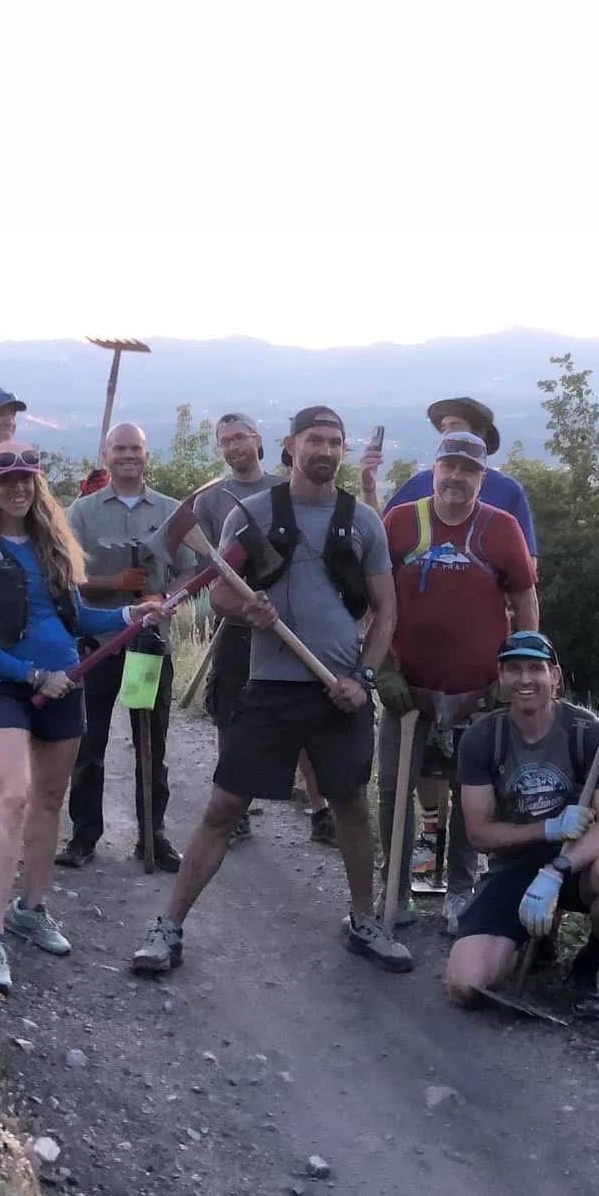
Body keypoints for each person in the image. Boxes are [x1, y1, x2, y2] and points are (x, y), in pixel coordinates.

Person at [129, 406, 411, 977]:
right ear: (290, 445)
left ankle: (364, 921)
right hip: (271, 688)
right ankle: (168, 928)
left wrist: (364, 679)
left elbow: (386, 611)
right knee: (224, 807)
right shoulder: (255, 513)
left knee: (352, 807)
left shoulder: (362, 522)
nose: (324, 450)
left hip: (341, 691)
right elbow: (219, 593)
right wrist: (246, 609)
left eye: (334, 441)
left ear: (343, 449)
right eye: (314, 440)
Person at [0, 443, 164, 992]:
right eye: (6, 482)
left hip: (66, 684)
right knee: (13, 797)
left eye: (26, 479)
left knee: (49, 801)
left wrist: (129, 613)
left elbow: (74, 618)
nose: (18, 488)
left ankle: (31, 907)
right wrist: (30, 675)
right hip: (7, 687)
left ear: (37, 485)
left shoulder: (52, 545)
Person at [376, 431, 538, 934]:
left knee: (473, 795)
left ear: (482, 479)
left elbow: (525, 601)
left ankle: (462, 890)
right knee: (393, 789)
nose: (456, 477)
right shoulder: (401, 522)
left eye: (468, 470)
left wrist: (518, 669)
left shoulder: (501, 528)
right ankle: (395, 888)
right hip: (409, 691)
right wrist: (379, 666)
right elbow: (372, 597)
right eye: (449, 466)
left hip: (479, 693)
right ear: (435, 469)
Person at [443, 631, 599, 1021]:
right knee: (467, 986)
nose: (525, 679)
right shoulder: (482, 739)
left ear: (555, 676)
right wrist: (547, 829)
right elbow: (480, 835)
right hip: (513, 867)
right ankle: (528, 940)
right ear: (501, 677)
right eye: (514, 669)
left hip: (577, 864)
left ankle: (587, 967)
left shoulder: (588, 733)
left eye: (536, 668)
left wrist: (557, 869)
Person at [58, 422, 185, 870]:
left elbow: (189, 572)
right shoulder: (81, 513)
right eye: (120, 449)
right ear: (106, 455)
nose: (129, 455)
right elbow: (67, 579)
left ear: (147, 455)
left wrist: (165, 599)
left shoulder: (171, 512)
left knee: (151, 745)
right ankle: (83, 836)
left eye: (136, 448)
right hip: (97, 647)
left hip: (147, 649)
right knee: (89, 744)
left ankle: (152, 837)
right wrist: (116, 582)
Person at [194, 413, 272, 843]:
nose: (232, 447)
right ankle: (234, 804)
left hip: (286, 621)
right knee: (229, 710)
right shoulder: (211, 501)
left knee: (300, 709)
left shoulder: (283, 490)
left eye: (239, 438)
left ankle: (319, 808)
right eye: (224, 441)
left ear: (257, 440)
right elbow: (209, 568)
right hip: (234, 623)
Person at [365, 396, 538, 563]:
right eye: (443, 428)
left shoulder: (507, 490)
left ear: (479, 435)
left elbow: (527, 562)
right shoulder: (420, 483)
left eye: (454, 426)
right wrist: (369, 489)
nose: (446, 434)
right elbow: (380, 537)